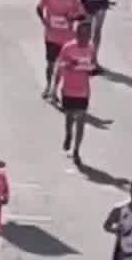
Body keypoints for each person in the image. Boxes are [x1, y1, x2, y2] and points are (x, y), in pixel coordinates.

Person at [55, 17, 99, 159]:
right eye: (83, 34)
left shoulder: (91, 48)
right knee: (69, 117)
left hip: (83, 91)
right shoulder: (68, 48)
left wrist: (93, 70)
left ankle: (76, 150)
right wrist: (69, 65)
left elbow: (93, 66)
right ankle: (68, 134)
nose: (85, 37)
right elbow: (60, 65)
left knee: (81, 121)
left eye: (88, 34)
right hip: (68, 89)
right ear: (77, 34)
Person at [38, 0, 85, 95]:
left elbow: (82, 15)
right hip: (51, 37)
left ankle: (54, 89)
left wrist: (73, 17)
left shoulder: (74, 0)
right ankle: (48, 86)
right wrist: (44, 21)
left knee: (61, 66)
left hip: (66, 39)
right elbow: (39, 8)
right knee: (50, 64)